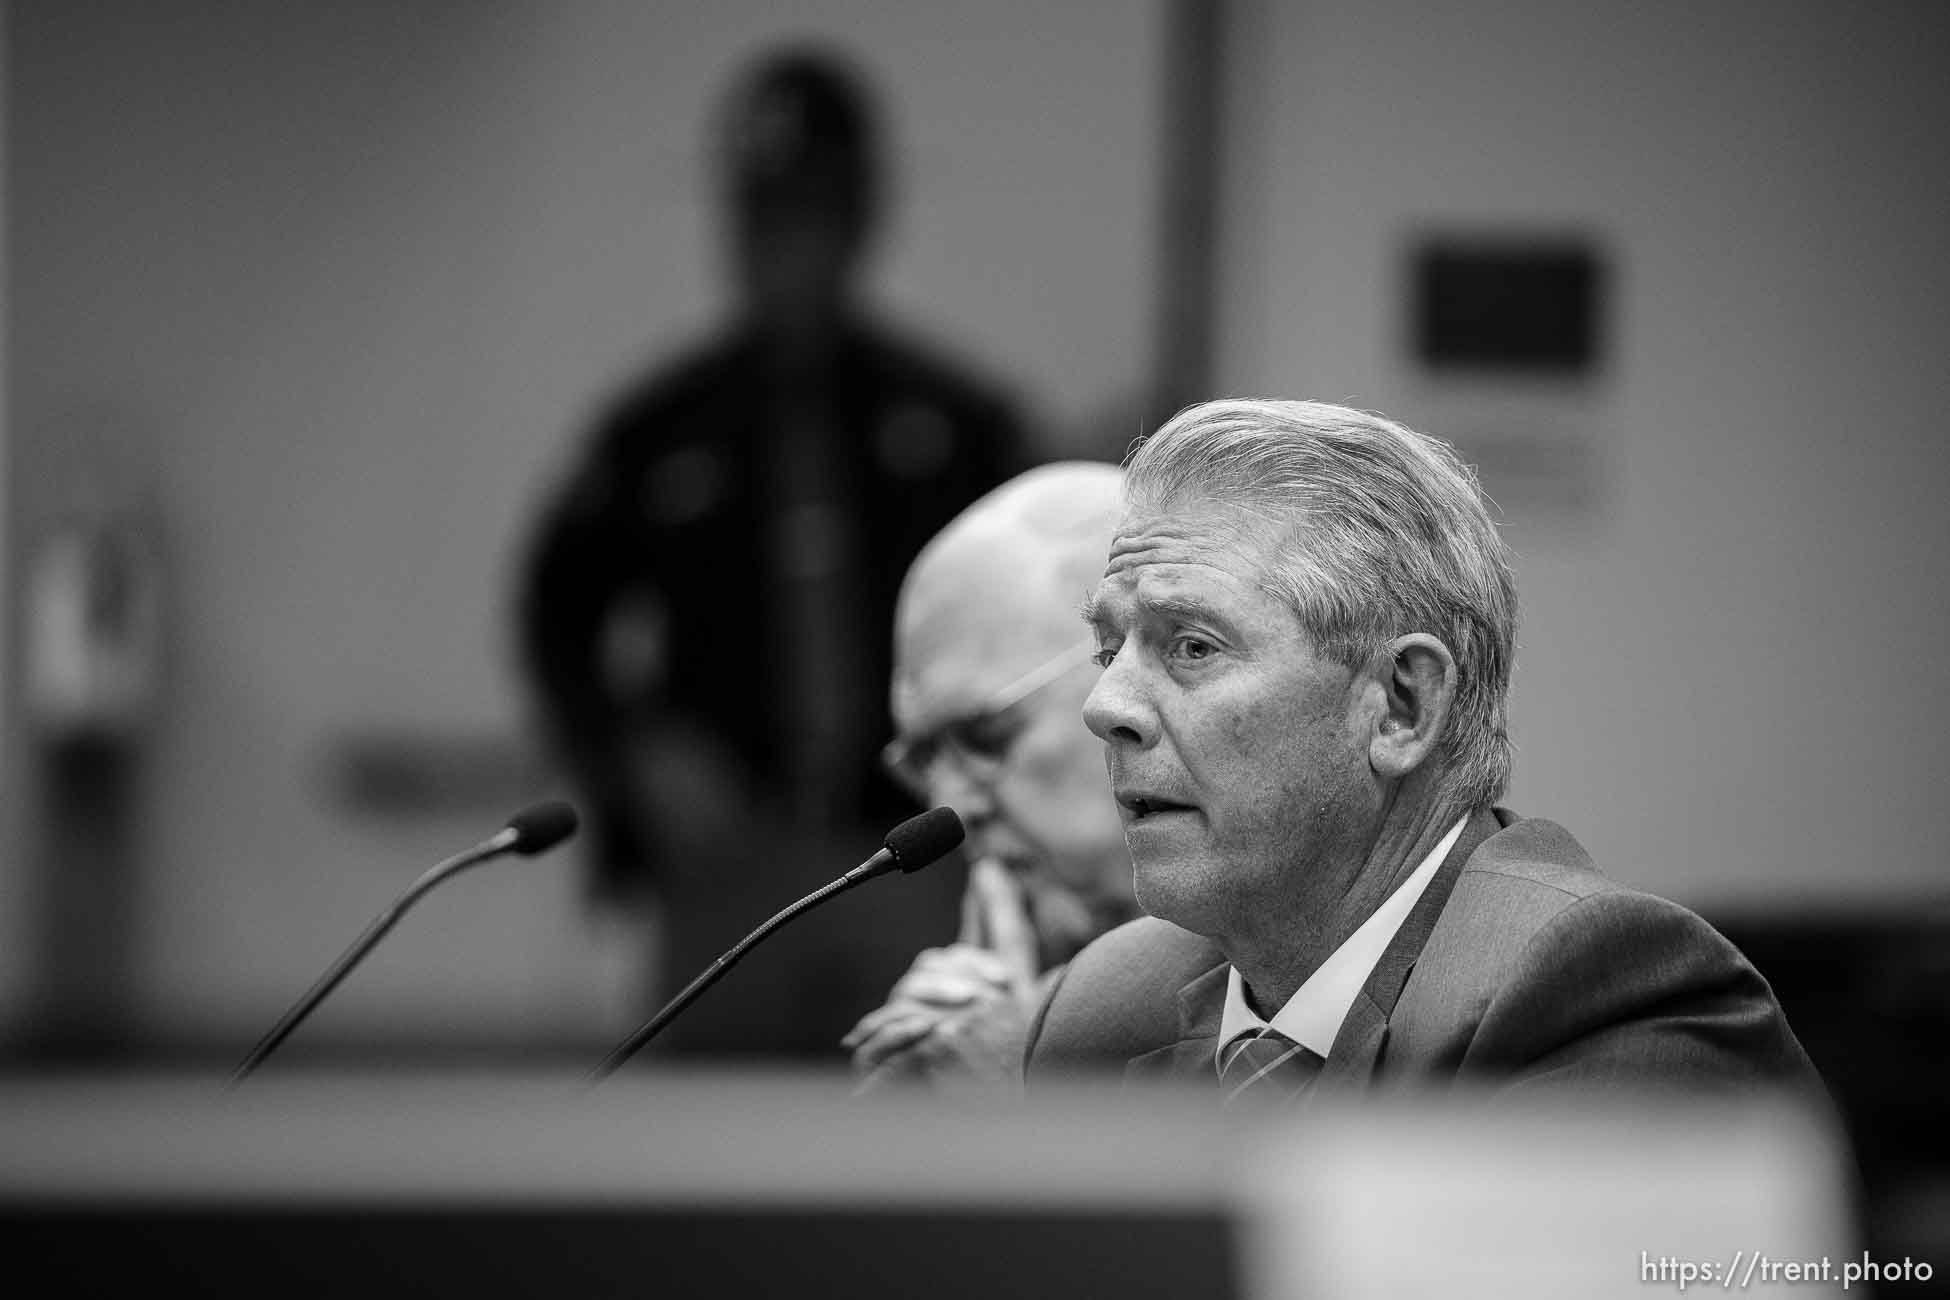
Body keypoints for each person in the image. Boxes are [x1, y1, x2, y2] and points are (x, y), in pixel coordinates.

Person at [1028, 398, 1820, 1101]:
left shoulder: (1590, 990)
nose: (1106, 708)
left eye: (1193, 647)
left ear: (1403, 706)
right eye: (1108, 651)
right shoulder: (1102, 1010)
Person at [518, 46, 1025, 1058]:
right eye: (763, 219)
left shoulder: (956, 424)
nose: (787, 248)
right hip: (724, 868)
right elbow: (554, 613)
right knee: (699, 1154)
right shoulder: (658, 429)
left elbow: (1039, 624)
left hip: (909, 856)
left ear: (861, 220)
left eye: (813, 216)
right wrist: (633, 749)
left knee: (915, 1137)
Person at [842, 463, 1138, 1091]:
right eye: (923, 761)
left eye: (983, 736)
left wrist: (1024, 1080)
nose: (950, 804)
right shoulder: (981, 1008)